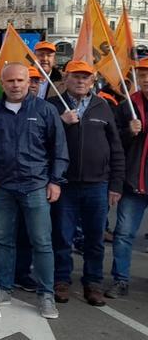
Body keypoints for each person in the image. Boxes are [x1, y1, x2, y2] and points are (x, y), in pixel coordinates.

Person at [0, 63, 68, 319]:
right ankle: (3, 289)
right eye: (10, 80)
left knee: (42, 242)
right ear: (2, 83)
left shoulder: (45, 110)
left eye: (20, 80)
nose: (15, 85)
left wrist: (55, 181)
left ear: (29, 82)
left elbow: (59, 149)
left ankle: (46, 295)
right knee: (2, 240)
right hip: (0, 187)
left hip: (36, 185)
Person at [46, 60, 124, 306]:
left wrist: (116, 184)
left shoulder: (103, 106)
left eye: (86, 77)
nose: (81, 81)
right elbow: (39, 139)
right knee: (62, 236)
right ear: (65, 79)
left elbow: (116, 148)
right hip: (64, 184)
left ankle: (93, 282)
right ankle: (61, 280)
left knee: (94, 238)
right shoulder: (53, 105)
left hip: (97, 184)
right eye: (76, 76)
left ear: (93, 81)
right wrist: (61, 121)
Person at [105, 58, 148, 300]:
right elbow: (115, 144)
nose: (147, 80)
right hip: (134, 182)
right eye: (143, 75)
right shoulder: (128, 106)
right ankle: (121, 280)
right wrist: (128, 132)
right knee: (123, 234)